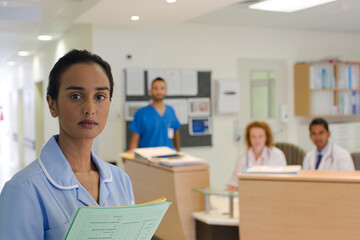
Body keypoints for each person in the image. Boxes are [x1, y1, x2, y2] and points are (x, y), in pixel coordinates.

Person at [0, 49, 135, 239]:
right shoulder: (23, 189)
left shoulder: (121, 180)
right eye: (76, 96)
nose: (90, 109)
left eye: (100, 97)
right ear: (52, 104)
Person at [228, 121, 286, 190]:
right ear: (249, 138)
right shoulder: (242, 155)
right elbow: (234, 181)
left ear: (266, 137)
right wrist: (232, 186)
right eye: (253, 137)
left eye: (260, 136)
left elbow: (283, 183)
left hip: (271, 194)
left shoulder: (277, 155)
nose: (257, 140)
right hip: (247, 194)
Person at [128, 77, 181, 151]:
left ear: (166, 91)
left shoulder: (171, 111)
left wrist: (178, 152)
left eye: (162, 88)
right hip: (148, 157)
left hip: (169, 155)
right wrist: (131, 154)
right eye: (155, 88)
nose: (159, 91)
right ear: (150, 91)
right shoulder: (141, 113)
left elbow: (176, 133)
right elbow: (134, 140)